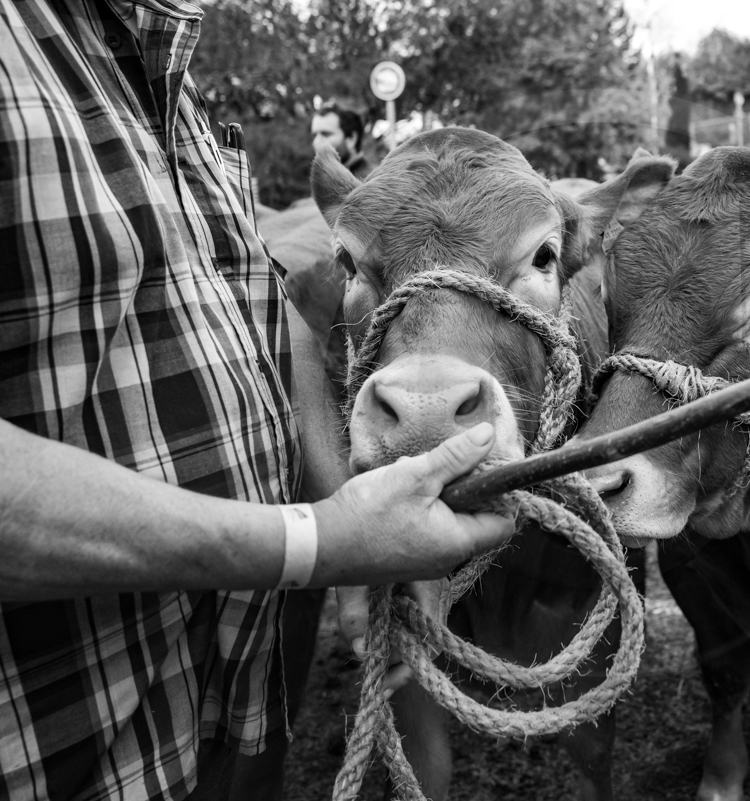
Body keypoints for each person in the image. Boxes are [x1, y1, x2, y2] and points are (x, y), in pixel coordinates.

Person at [0, 3, 513, 800]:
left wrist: (341, 495)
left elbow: (267, 314)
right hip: (54, 738)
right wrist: (317, 542)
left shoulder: (166, 78)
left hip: (232, 688)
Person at [310, 104, 373, 180]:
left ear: (351, 138)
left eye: (326, 134)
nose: (316, 142)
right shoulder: (329, 180)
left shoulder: (369, 184)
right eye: (314, 135)